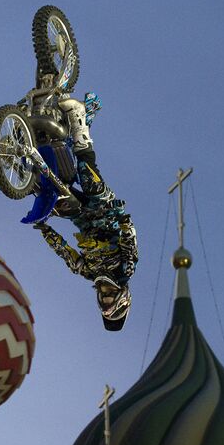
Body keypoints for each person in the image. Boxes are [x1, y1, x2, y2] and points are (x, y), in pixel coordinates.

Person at [34, 92, 138, 331]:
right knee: (89, 179)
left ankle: (40, 148)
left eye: (104, 296)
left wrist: (44, 229)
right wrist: (123, 220)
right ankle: (79, 118)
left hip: (81, 216)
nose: (105, 291)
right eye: (111, 294)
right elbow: (129, 243)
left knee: (50, 195)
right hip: (105, 210)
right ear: (122, 294)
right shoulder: (125, 268)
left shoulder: (88, 272)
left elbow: (65, 253)